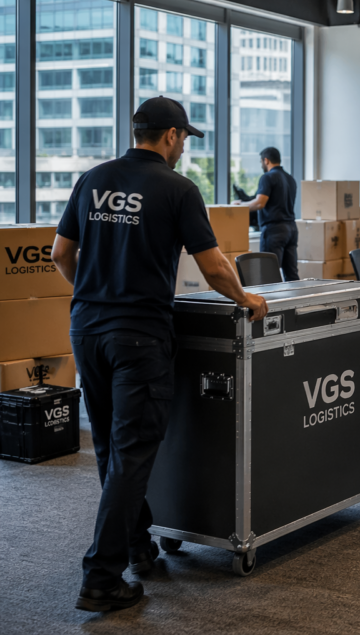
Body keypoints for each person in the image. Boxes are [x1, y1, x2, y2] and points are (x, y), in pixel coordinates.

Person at [52, 97, 269, 612]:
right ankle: (101, 577)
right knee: (133, 451)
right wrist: (248, 299)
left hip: (86, 330)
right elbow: (215, 268)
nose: (184, 149)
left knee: (108, 447)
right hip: (139, 337)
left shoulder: (91, 179)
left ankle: (137, 545)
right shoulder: (178, 189)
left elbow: (62, 253)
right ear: (171, 136)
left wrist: (93, 295)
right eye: (184, 139)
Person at [233, 146, 300, 281]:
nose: (262, 165)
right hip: (291, 229)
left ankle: (271, 302)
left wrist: (240, 206)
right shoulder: (290, 179)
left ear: (266, 160)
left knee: (268, 273)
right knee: (291, 274)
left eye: (261, 162)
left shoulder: (267, 177)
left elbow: (260, 203)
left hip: (274, 231)